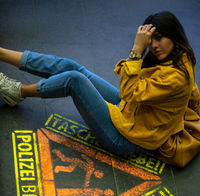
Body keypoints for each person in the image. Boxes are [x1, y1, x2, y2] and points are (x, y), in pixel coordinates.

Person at [0, 11, 200, 167]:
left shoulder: (176, 76)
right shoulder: (182, 58)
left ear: (174, 36)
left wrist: (138, 50)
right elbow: (192, 94)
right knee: (74, 67)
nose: (154, 45)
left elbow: (129, 92)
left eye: (160, 38)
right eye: (151, 39)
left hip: (125, 138)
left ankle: (16, 92)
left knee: (74, 79)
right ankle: (2, 53)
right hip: (129, 113)